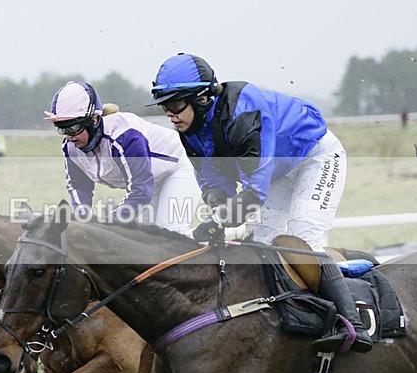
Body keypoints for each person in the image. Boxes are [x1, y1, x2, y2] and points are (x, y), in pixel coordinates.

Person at [147, 53, 371, 353]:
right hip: (278, 170)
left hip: (315, 156)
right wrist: (218, 211)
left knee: (300, 240)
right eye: (165, 107)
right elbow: (214, 182)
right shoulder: (191, 130)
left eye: (175, 105)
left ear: (202, 98)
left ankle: (352, 325)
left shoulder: (243, 113)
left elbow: (253, 192)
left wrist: (222, 220)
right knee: (263, 246)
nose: (170, 115)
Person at [44, 81, 201, 235]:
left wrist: (107, 224)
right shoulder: (70, 146)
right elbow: (79, 185)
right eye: (62, 129)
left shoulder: (125, 136)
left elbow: (140, 191)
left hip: (179, 168)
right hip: (151, 180)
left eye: (72, 127)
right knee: (144, 241)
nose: (68, 136)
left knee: (169, 232)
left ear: (93, 121)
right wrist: (83, 220)